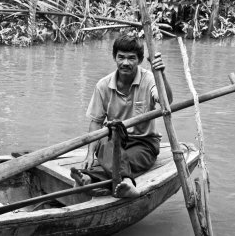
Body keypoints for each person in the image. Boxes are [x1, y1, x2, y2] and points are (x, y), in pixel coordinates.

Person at [70, 35, 173, 198]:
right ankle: (121, 180)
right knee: (106, 143)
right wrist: (89, 154)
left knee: (120, 161)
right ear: (114, 58)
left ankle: (97, 178)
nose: (125, 63)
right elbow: (96, 122)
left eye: (131, 58)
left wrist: (161, 75)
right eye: (121, 57)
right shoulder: (103, 85)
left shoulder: (149, 79)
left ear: (139, 60)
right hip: (113, 141)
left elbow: (166, 102)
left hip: (143, 144)